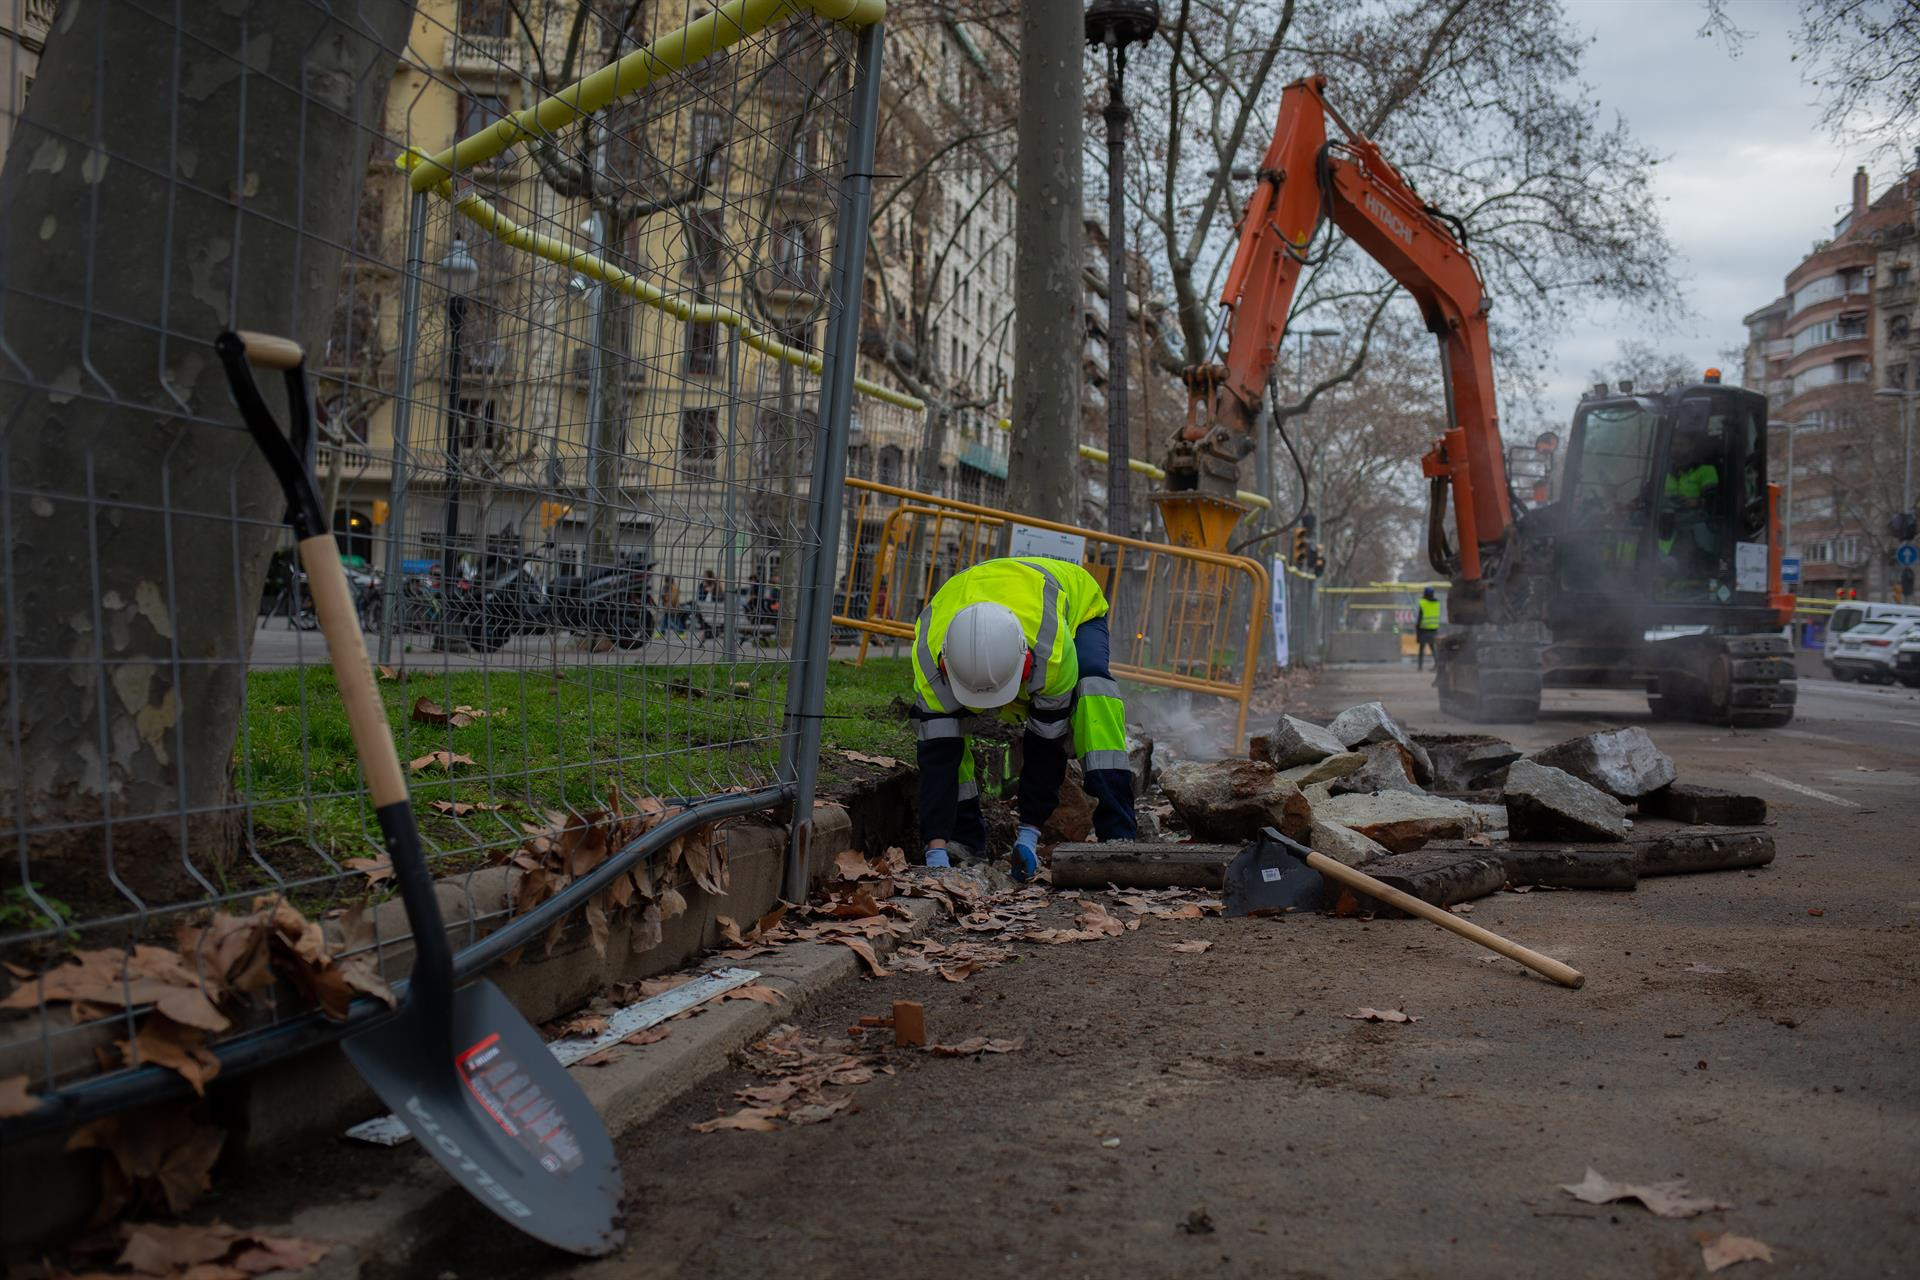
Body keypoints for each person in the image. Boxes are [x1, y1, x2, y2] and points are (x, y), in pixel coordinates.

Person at [911, 556, 1136, 882]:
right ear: (947, 666)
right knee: (944, 735)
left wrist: (1028, 835)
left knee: (1093, 688)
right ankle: (963, 839)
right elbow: (938, 759)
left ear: (1026, 662)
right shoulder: (928, 660)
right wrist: (935, 852)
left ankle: (1118, 831)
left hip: (1075, 600)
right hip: (975, 594)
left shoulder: (1052, 653)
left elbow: (1045, 748)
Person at [1415, 586, 1441, 672]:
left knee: (1422, 648)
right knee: (1433, 648)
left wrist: (1417, 627)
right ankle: (1437, 665)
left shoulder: (1423, 602)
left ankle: (1420, 667)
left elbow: (1420, 616)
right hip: (1434, 628)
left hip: (1423, 629)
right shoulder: (1437, 603)